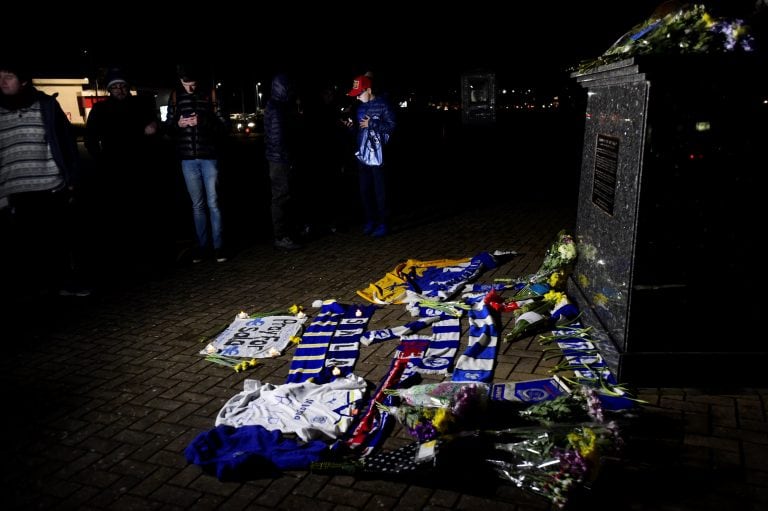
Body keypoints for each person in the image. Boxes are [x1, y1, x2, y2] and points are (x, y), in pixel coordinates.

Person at [0, 60, 90, 298]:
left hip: (50, 185)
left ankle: (64, 282)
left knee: (58, 239)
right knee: (25, 244)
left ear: (24, 81)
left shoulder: (45, 105)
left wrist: (71, 178)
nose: (2, 82)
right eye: (0, 77)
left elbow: (66, 141)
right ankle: (36, 287)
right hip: (15, 191)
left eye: (8, 77)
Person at [84, 67, 161, 267]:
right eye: (115, 86)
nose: (119, 89)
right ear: (109, 89)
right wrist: (100, 157)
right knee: (117, 214)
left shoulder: (141, 106)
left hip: (139, 169)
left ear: (128, 88)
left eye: (123, 86)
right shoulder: (100, 109)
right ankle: (121, 256)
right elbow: (90, 138)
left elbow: (154, 131)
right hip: (113, 170)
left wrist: (153, 130)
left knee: (141, 212)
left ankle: (144, 253)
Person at [165, 65, 229, 263]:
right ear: (180, 81)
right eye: (186, 84)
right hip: (187, 159)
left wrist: (203, 121)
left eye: (193, 84)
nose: (190, 89)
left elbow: (224, 126)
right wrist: (177, 124)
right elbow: (167, 126)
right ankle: (203, 247)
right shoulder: (175, 97)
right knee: (197, 206)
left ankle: (218, 247)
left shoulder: (211, 95)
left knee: (214, 203)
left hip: (209, 156)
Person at [345, 74, 396, 238]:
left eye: (360, 94)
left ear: (369, 89)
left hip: (379, 156)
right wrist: (351, 127)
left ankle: (384, 223)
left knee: (380, 191)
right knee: (365, 190)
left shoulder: (384, 105)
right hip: (363, 156)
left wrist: (372, 123)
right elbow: (360, 131)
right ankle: (370, 220)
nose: (358, 98)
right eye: (356, 95)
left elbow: (392, 127)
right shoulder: (360, 108)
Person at [264, 72, 303, 251]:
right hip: (280, 159)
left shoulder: (277, 106)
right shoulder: (278, 108)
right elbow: (280, 137)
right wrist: (288, 157)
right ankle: (281, 236)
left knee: (283, 196)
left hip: (278, 158)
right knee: (281, 197)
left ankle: (285, 233)